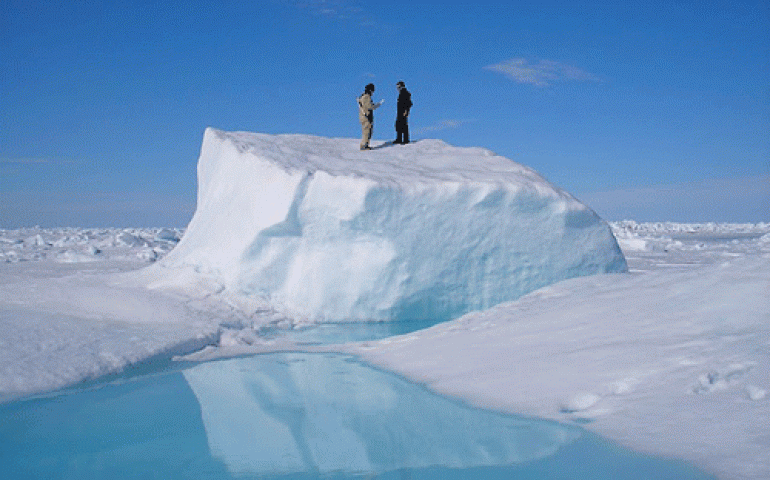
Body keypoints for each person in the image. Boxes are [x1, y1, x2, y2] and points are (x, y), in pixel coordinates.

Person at [358, 83, 382, 150]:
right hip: (366, 117)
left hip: (364, 116)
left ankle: (366, 144)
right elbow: (369, 106)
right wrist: (376, 105)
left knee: (368, 131)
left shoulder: (363, 96)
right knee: (367, 131)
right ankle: (364, 145)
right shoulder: (366, 97)